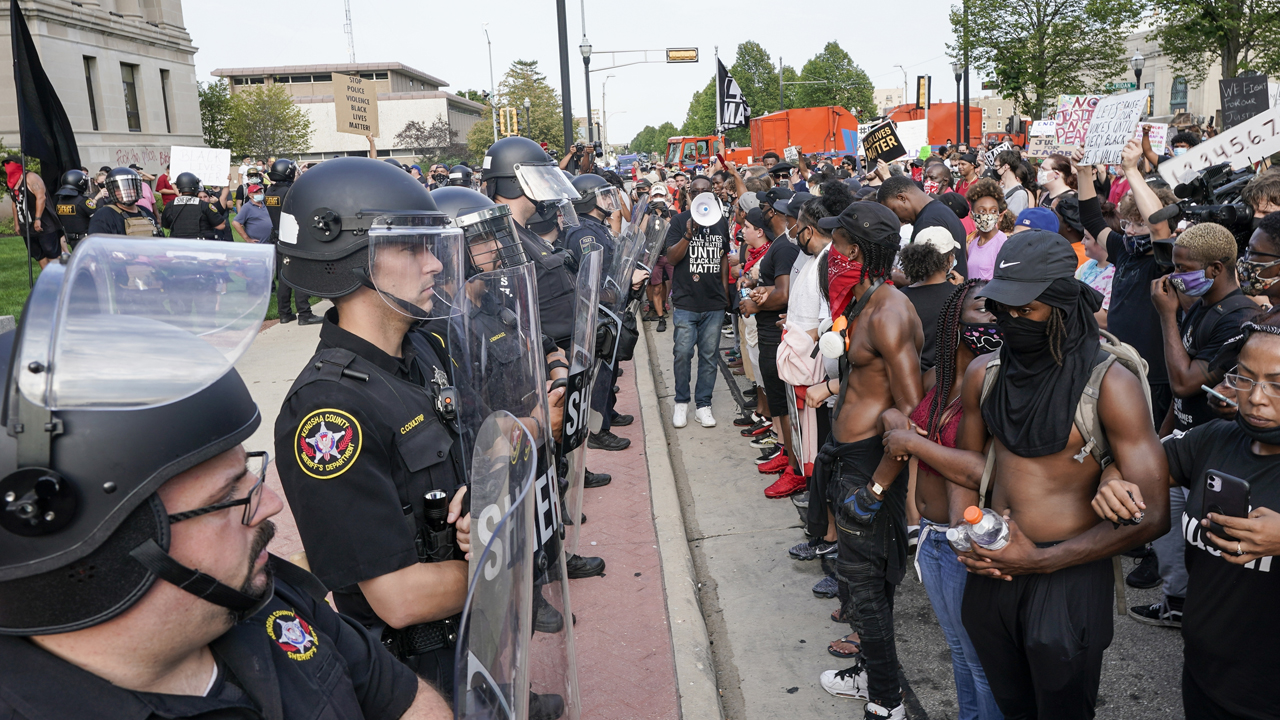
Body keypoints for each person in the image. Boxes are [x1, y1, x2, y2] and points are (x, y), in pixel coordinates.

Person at [0, 236, 451, 719]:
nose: (271, 504)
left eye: (248, 476)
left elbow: (403, 699)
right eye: (229, 497)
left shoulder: (270, 596)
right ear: (100, 547)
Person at [948, 231, 1168, 719]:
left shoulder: (1110, 383)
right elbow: (969, 471)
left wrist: (1042, 563)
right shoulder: (985, 374)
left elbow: (1154, 516)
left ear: (1063, 306)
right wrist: (967, 534)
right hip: (994, 572)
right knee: (1012, 705)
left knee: (1064, 709)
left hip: (1067, 578)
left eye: (1027, 311)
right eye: (1004, 310)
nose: (1010, 321)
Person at [274, 158, 472, 694]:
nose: (433, 264)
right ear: (351, 258)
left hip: (470, 641)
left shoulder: (422, 349)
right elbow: (400, 598)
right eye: (411, 247)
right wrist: (503, 558)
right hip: (416, 676)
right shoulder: (329, 410)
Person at [1094, 315, 1280, 720]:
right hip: (1204, 671)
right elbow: (1139, 464)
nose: (1257, 398)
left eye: (1278, 384)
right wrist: (1111, 476)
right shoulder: (1216, 437)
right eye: (1245, 378)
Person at [813, 202, 923, 720]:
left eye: (838, 242)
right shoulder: (864, 299)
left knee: (866, 587)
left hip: (869, 466)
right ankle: (870, 675)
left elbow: (911, 413)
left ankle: (886, 702)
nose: (831, 250)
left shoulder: (890, 311)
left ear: (857, 249)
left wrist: (877, 488)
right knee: (863, 586)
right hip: (848, 457)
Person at [879, 280, 1005, 720]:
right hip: (931, 537)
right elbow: (905, 423)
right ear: (954, 319)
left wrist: (913, 444)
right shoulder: (940, 377)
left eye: (998, 311)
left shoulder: (994, 382)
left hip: (963, 538)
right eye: (981, 310)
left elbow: (979, 468)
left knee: (982, 662)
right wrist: (894, 418)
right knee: (959, 652)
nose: (992, 318)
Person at [1075, 142, 1178, 426]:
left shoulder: (1166, 260)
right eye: (1127, 224)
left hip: (1153, 373)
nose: (1130, 231)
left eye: (1138, 224)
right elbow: (1092, 220)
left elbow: (1158, 225)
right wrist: (1084, 174)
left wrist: (1132, 169)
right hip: (1117, 362)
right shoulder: (1123, 250)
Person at [743, 193, 804, 492]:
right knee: (779, 402)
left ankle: (794, 465)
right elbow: (777, 288)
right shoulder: (784, 244)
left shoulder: (786, 247)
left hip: (778, 334)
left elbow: (785, 293)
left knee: (785, 404)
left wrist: (758, 303)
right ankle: (785, 452)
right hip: (771, 333)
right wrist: (760, 291)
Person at [664, 173, 731, 429]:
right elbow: (671, 258)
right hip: (685, 303)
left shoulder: (721, 222)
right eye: (695, 191)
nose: (699, 194)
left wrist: (725, 291)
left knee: (709, 355)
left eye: (706, 191)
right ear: (688, 195)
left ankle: (703, 404)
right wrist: (688, 235)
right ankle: (681, 402)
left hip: (713, 303)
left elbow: (724, 256)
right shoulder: (679, 221)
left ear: (712, 196)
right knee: (682, 353)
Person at [263, 159, 320, 326]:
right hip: (293, 238)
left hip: (277, 237)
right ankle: (304, 313)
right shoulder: (290, 191)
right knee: (300, 275)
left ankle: (285, 313)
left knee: (283, 276)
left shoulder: (269, 192)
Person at [878, 175, 969, 278]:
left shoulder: (927, 224)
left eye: (893, 211)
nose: (897, 218)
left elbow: (929, 280)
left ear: (902, 198)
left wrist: (897, 278)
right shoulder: (942, 210)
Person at [899, 227, 962, 371]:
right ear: (949, 259)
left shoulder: (901, 297)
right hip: (945, 381)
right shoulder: (959, 297)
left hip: (910, 378)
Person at [3, 156, 62, 267]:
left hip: (44, 223)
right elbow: (14, 203)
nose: (8, 167)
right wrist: (17, 223)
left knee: (51, 252)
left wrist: (37, 219)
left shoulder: (31, 177)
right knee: (38, 254)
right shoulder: (12, 182)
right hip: (26, 225)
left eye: (10, 163)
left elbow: (41, 197)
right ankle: (48, 280)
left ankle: (60, 279)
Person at [1074, 202, 1120, 330]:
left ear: (1102, 240)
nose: (1082, 242)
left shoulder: (1117, 273)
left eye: (1087, 238)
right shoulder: (1088, 264)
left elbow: (1105, 320)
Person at [86, 167, 162, 237]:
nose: (126, 191)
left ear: (137, 189)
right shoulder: (103, 215)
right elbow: (98, 247)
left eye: (131, 187)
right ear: (112, 191)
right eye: (119, 188)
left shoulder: (146, 212)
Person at [965, 179, 1011, 280]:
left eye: (993, 211)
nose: (987, 215)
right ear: (972, 215)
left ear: (999, 215)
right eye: (982, 211)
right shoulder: (972, 244)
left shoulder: (1003, 243)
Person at [161, 173, 228, 239]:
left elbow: (165, 225)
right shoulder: (204, 205)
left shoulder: (170, 205)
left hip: (177, 246)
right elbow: (221, 225)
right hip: (200, 245)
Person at [51, 168, 96, 252]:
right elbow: (97, 217)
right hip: (86, 240)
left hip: (71, 239)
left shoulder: (60, 201)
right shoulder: (83, 201)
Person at [993, 150, 1029, 215]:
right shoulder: (1000, 188)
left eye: (996, 166)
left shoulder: (1019, 194)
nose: (994, 169)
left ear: (1006, 166)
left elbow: (1011, 220)